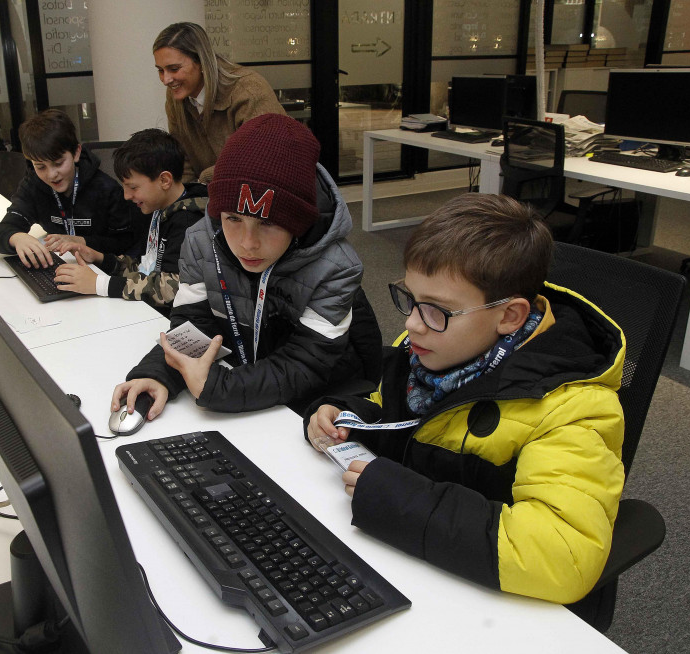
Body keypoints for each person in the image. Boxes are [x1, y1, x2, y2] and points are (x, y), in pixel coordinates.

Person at [304, 193, 626, 605]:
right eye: (411, 299)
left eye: (436, 310)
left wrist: (400, 499)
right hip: (417, 566)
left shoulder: (573, 408)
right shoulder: (431, 349)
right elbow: (400, 419)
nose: (411, 323)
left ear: (509, 316)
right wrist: (349, 416)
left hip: (491, 600)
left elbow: (563, 557)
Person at [112, 113, 381, 421]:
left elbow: (306, 365)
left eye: (267, 223)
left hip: (321, 399)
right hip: (250, 377)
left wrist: (219, 387)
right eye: (233, 219)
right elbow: (195, 325)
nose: (247, 243)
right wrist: (159, 372)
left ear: (298, 222)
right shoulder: (201, 240)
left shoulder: (336, 267)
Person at [53, 128, 208, 310]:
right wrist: (100, 258)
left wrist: (100, 284)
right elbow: (145, 268)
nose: (126, 196)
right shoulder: (155, 209)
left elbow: (171, 289)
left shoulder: (189, 222)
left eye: (133, 187)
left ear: (165, 180)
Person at [0, 109, 137, 267]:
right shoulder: (33, 186)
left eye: (58, 163)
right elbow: (0, 233)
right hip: (61, 266)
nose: (52, 175)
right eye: (40, 167)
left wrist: (82, 241)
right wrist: (17, 238)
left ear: (76, 153)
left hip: (101, 271)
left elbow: (126, 243)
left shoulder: (106, 189)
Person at [153, 22, 286, 184]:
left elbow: (265, 156)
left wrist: (204, 181)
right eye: (160, 70)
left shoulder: (248, 89)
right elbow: (183, 162)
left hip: (264, 195)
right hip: (214, 198)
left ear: (201, 62)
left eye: (174, 69)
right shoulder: (177, 97)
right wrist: (185, 201)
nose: (166, 79)